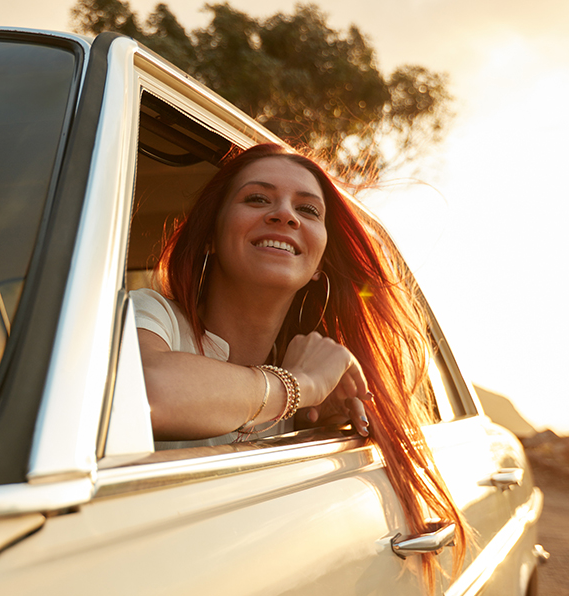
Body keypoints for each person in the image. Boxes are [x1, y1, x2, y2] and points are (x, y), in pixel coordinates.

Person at [133, 143, 467, 586]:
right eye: (257, 199)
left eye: (308, 210)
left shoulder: (328, 379)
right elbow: (149, 392)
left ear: (318, 265)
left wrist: (330, 423)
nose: (285, 215)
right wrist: (301, 385)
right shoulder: (151, 314)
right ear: (212, 235)